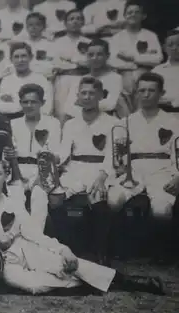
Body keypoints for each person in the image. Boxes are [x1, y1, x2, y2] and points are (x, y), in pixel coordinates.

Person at [0, 157, 165, 295]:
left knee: (65, 262)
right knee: (34, 286)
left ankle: (131, 282)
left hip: (23, 249)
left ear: (6, 176)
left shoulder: (12, 203)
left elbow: (33, 233)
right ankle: (85, 282)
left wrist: (63, 249)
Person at [107, 73, 179, 258]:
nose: (146, 94)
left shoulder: (175, 122)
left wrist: (178, 177)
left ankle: (159, 250)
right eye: (142, 90)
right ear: (136, 94)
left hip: (162, 170)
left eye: (151, 90)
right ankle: (123, 246)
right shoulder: (125, 122)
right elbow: (115, 155)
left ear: (161, 93)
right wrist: (119, 168)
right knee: (113, 200)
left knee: (161, 211)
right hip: (134, 170)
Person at [55, 77, 119, 264]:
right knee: (55, 197)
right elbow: (64, 152)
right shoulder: (70, 124)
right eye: (83, 93)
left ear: (100, 95)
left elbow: (112, 155)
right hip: (75, 169)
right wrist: (55, 161)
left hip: (101, 170)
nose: (87, 97)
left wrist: (101, 177)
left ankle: (99, 251)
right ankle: (67, 247)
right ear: (78, 96)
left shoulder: (113, 122)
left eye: (92, 93)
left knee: (98, 196)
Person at [8, 84, 61, 233]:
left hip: (43, 170)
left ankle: (36, 240)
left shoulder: (52, 123)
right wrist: (17, 175)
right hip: (18, 169)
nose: (29, 105)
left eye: (34, 102)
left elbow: (55, 154)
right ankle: (17, 239)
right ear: (20, 103)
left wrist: (41, 176)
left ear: (42, 103)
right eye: (25, 102)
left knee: (39, 198)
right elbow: (9, 154)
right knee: (16, 200)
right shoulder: (13, 124)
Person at [109, 0, 163, 104]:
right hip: (123, 75)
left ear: (143, 16)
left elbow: (157, 59)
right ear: (125, 16)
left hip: (146, 75)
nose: (133, 15)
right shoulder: (117, 38)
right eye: (129, 12)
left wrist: (134, 58)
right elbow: (112, 61)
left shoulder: (150, 36)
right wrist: (134, 67)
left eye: (137, 12)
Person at [56, 39, 125, 120]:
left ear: (107, 56)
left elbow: (111, 104)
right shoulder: (81, 79)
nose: (94, 58)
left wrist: (82, 103)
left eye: (99, 54)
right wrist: (91, 104)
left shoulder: (115, 78)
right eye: (91, 55)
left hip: (104, 119)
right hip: (81, 118)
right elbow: (69, 107)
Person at [0, 42, 53, 118]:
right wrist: (32, 105)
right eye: (16, 57)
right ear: (11, 59)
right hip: (11, 120)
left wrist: (14, 102)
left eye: (24, 56)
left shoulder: (41, 79)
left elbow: (47, 108)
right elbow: (2, 107)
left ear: (30, 58)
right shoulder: (6, 80)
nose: (20, 60)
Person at [151, 30, 179, 117]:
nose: (175, 48)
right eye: (170, 45)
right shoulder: (157, 71)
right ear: (164, 48)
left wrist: (173, 101)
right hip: (163, 114)